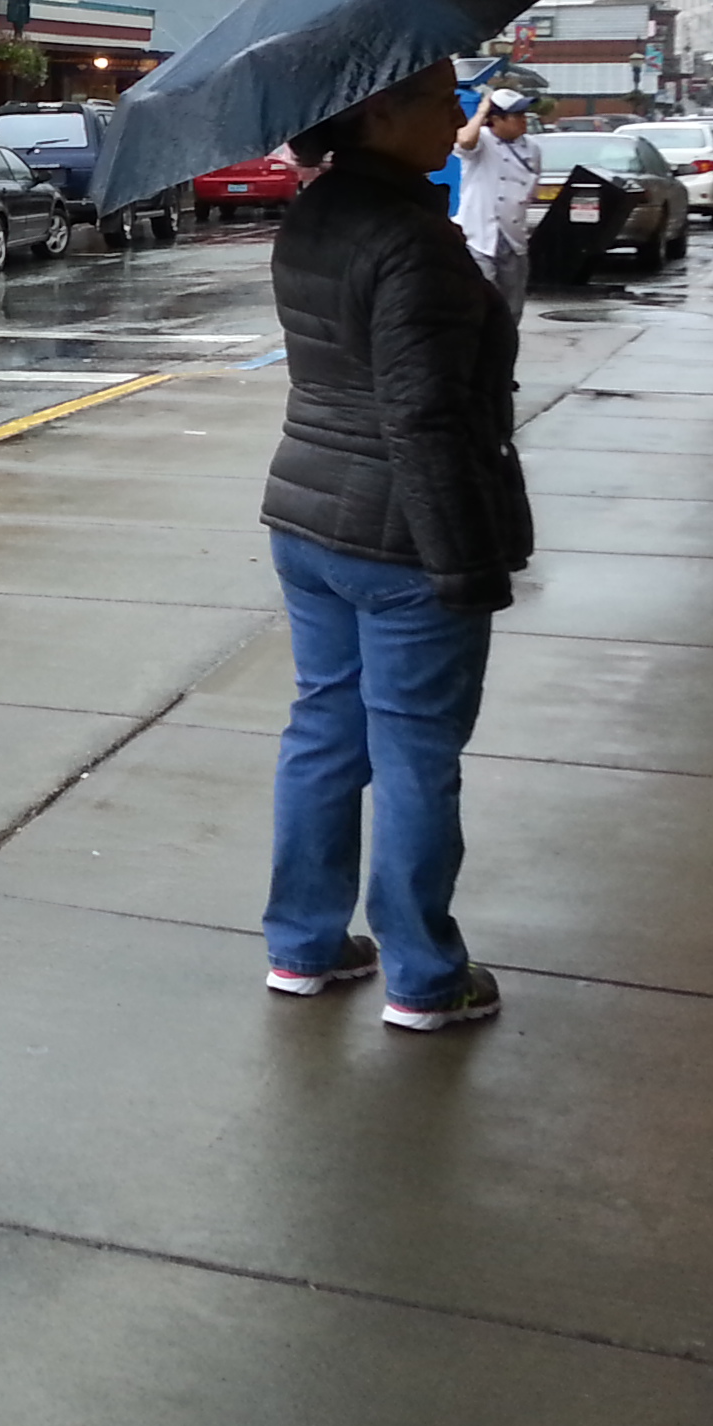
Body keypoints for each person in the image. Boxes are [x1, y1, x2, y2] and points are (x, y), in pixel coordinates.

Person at [260, 58, 530, 1031]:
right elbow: (422, 416)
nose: (457, 114)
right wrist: (464, 559)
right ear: (381, 112)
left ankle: (305, 945)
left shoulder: (314, 216)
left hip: (308, 515)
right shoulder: (412, 240)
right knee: (415, 748)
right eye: (443, 98)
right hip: (404, 535)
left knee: (325, 729)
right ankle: (424, 973)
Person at [450, 85, 541, 320]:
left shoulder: (532, 148)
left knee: (511, 307)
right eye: (516, 115)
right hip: (479, 236)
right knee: (481, 300)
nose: (523, 120)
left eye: (523, 114)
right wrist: (481, 112)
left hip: (513, 237)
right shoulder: (482, 140)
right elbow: (464, 141)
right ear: (497, 119)